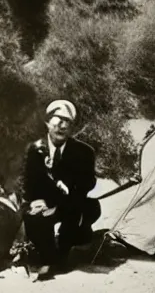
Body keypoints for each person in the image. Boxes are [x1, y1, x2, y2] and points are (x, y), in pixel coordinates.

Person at [21, 100, 100, 276]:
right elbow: (28, 184)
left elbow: (89, 183)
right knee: (32, 217)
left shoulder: (84, 152)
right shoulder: (34, 151)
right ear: (47, 123)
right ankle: (48, 258)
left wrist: (69, 186)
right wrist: (37, 201)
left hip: (71, 203)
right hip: (44, 203)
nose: (62, 127)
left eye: (68, 122)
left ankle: (66, 251)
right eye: (58, 121)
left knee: (82, 212)